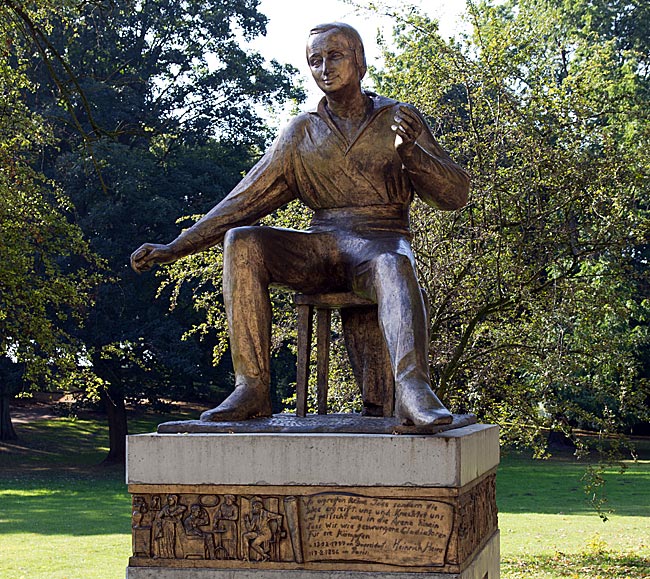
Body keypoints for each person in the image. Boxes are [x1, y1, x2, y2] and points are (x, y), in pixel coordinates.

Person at [131, 22, 470, 427]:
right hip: (320, 245)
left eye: (335, 56)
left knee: (394, 263)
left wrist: (413, 155)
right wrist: (177, 246)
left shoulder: (397, 118)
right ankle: (251, 387)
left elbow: (455, 194)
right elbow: (242, 202)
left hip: (380, 237)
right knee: (243, 240)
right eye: (315, 60)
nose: (325, 67)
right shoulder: (300, 132)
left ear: (359, 62)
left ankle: (413, 388)